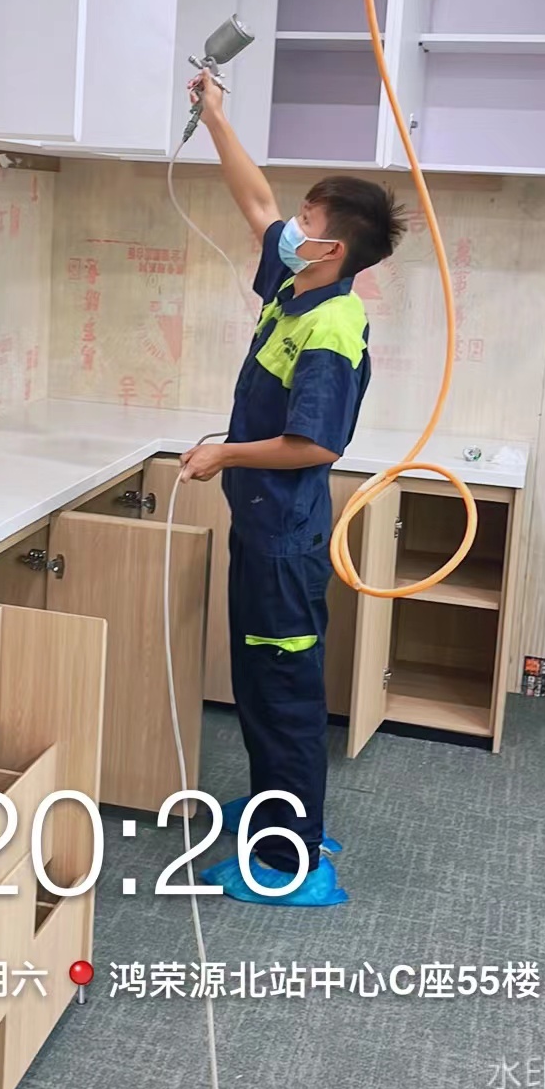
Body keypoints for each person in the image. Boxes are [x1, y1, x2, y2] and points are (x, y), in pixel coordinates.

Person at [181, 71, 407, 906]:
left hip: (284, 537)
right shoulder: (298, 285)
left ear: (332, 249)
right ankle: (281, 812)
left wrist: (225, 455)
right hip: (263, 525)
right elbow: (255, 202)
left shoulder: (330, 326)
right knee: (259, 679)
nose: (287, 230)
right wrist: (215, 118)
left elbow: (315, 443)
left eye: (305, 224)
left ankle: (291, 860)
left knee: (282, 691)